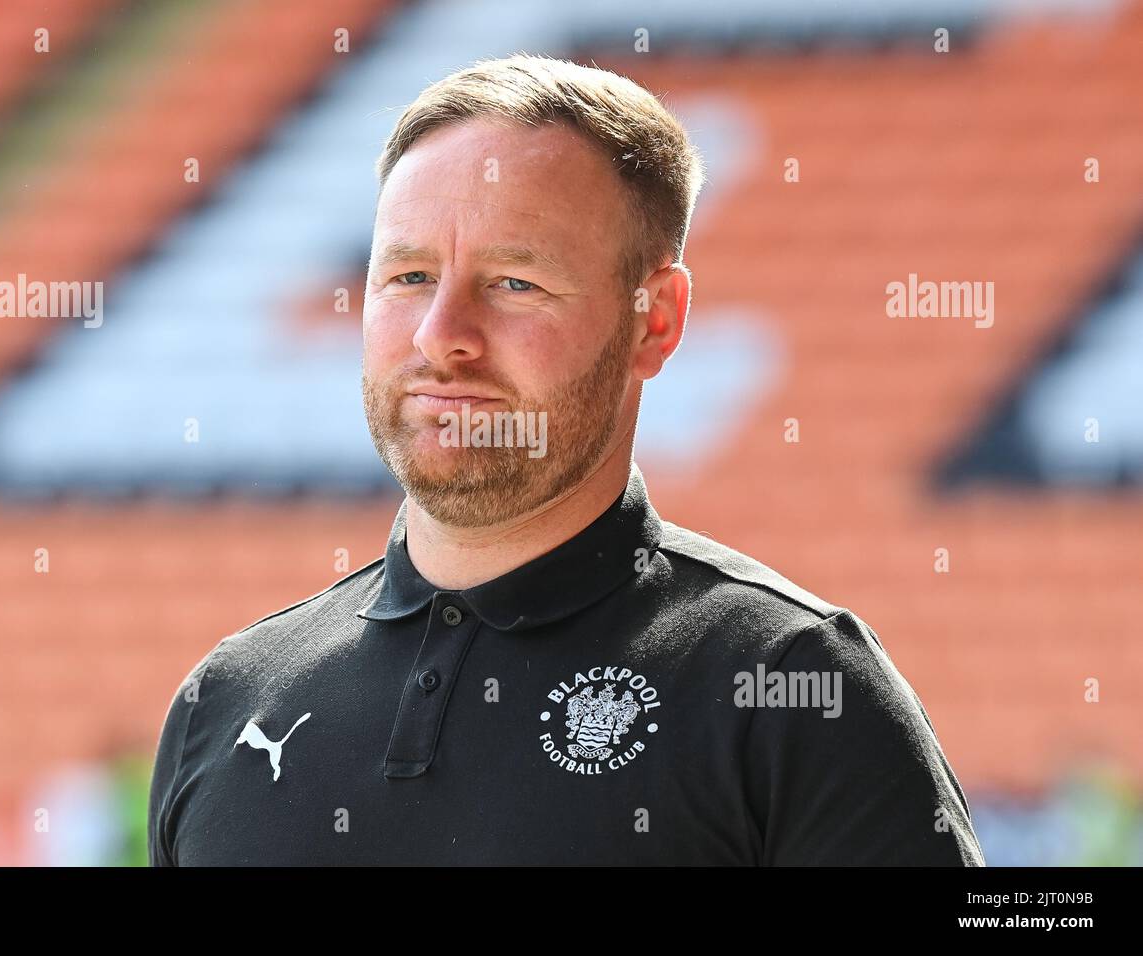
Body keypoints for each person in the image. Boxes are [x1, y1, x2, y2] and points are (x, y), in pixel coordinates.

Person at [149, 53, 985, 866]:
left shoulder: (795, 691)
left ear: (654, 321)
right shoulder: (224, 704)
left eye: (515, 282)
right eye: (406, 276)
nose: (443, 336)